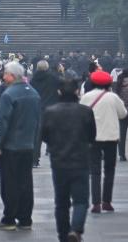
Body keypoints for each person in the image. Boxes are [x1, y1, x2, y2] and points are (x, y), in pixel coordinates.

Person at [43, 78, 96, 242]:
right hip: (80, 161)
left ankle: (63, 235)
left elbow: (44, 135)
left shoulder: (50, 111)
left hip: (59, 162)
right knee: (81, 201)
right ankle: (76, 229)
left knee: (61, 202)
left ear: (59, 92)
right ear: (77, 92)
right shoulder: (86, 111)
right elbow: (92, 136)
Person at [0, 61, 41, 231]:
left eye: (5, 73)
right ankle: (25, 219)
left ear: (12, 76)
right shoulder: (33, 93)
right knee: (26, 183)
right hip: (28, 145)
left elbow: (2, 122)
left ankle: (9, 218)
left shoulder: (9, 95)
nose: (3, 76)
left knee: (9, 183)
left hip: (11, 146)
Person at [80, 70, 126, 214]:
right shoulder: (113, 97)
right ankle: (107, 201)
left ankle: (96, 203)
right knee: (109, 170)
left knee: (95, 171)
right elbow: (123, 114)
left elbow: (81, 115)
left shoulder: (86, 97)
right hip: (111, 137)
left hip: (93, 138)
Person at [29, 59, 61, 166]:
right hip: (52, 108)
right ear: (47, 67)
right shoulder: (53, 78)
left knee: (37, 135)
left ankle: (34, 159)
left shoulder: (33, 79)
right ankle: (53, 154)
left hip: (37, 108)